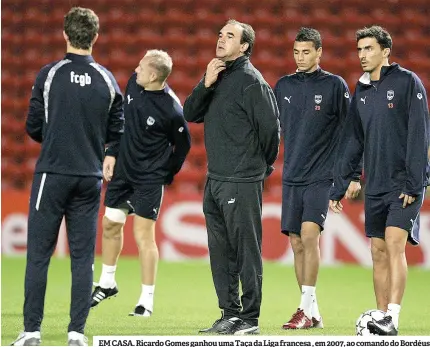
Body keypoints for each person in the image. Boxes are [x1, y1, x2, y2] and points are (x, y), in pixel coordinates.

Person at [11, 7, 124, 347]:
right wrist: (107, 154)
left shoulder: (49, 75)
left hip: (53, 174)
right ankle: (76, 333)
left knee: (39, 255)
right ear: (95, 37)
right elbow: (118, 129)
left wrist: (58, 135)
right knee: (82, 258)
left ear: (65, 34)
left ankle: (32, 331)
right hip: (89, 178)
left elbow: (33, 126)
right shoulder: (107, 80)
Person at [330, 25, 429, 336]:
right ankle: (380, 319)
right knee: (377, 251)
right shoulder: (360, 90)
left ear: (386, 51)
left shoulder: (406, 82)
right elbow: (353, 140)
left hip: (404, 183)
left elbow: (419, 134)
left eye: (369, 48)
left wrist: (415, 183)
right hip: (376, 183)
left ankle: (393, 317)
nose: (362, 55)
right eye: (360, 49)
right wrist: (342, 182)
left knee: (395, 243)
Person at [183, 19, 280, 335]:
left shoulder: (253, 83)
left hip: (242, 179)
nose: (221, 39)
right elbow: (190, 113)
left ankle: (249, 318)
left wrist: (258, 169)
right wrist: (205, 82)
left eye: (229, 36)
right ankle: (229, 314)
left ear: (244, 46)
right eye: (220, 34)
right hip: (215, 178)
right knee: (221, 252)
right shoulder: (217, 76)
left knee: (245, 251)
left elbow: (271, 134)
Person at [91, 50, 191, 317]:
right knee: (110, 224)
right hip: (123, 172)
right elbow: (119, 119)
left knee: (143, 237)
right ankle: (107, 282)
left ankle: (146, 301)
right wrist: (111, 151)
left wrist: (164, 175)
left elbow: (183, 147)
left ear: (154, 75)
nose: (135, 69)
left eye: (141, 66)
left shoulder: (172, 109)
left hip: (149, 179)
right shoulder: (134, 84)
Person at [274, 27, 361, 330]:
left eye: (306, 52)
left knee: (310, 236)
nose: (300, 57)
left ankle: (302, 309)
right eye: (296, 52)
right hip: (292, 175)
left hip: (322, 176)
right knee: (296, 243)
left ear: (319, 53)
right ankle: (313, 310)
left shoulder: (335, 86)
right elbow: (274, 130)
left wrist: (349, 175)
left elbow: (353, 132)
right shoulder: (282, 86)